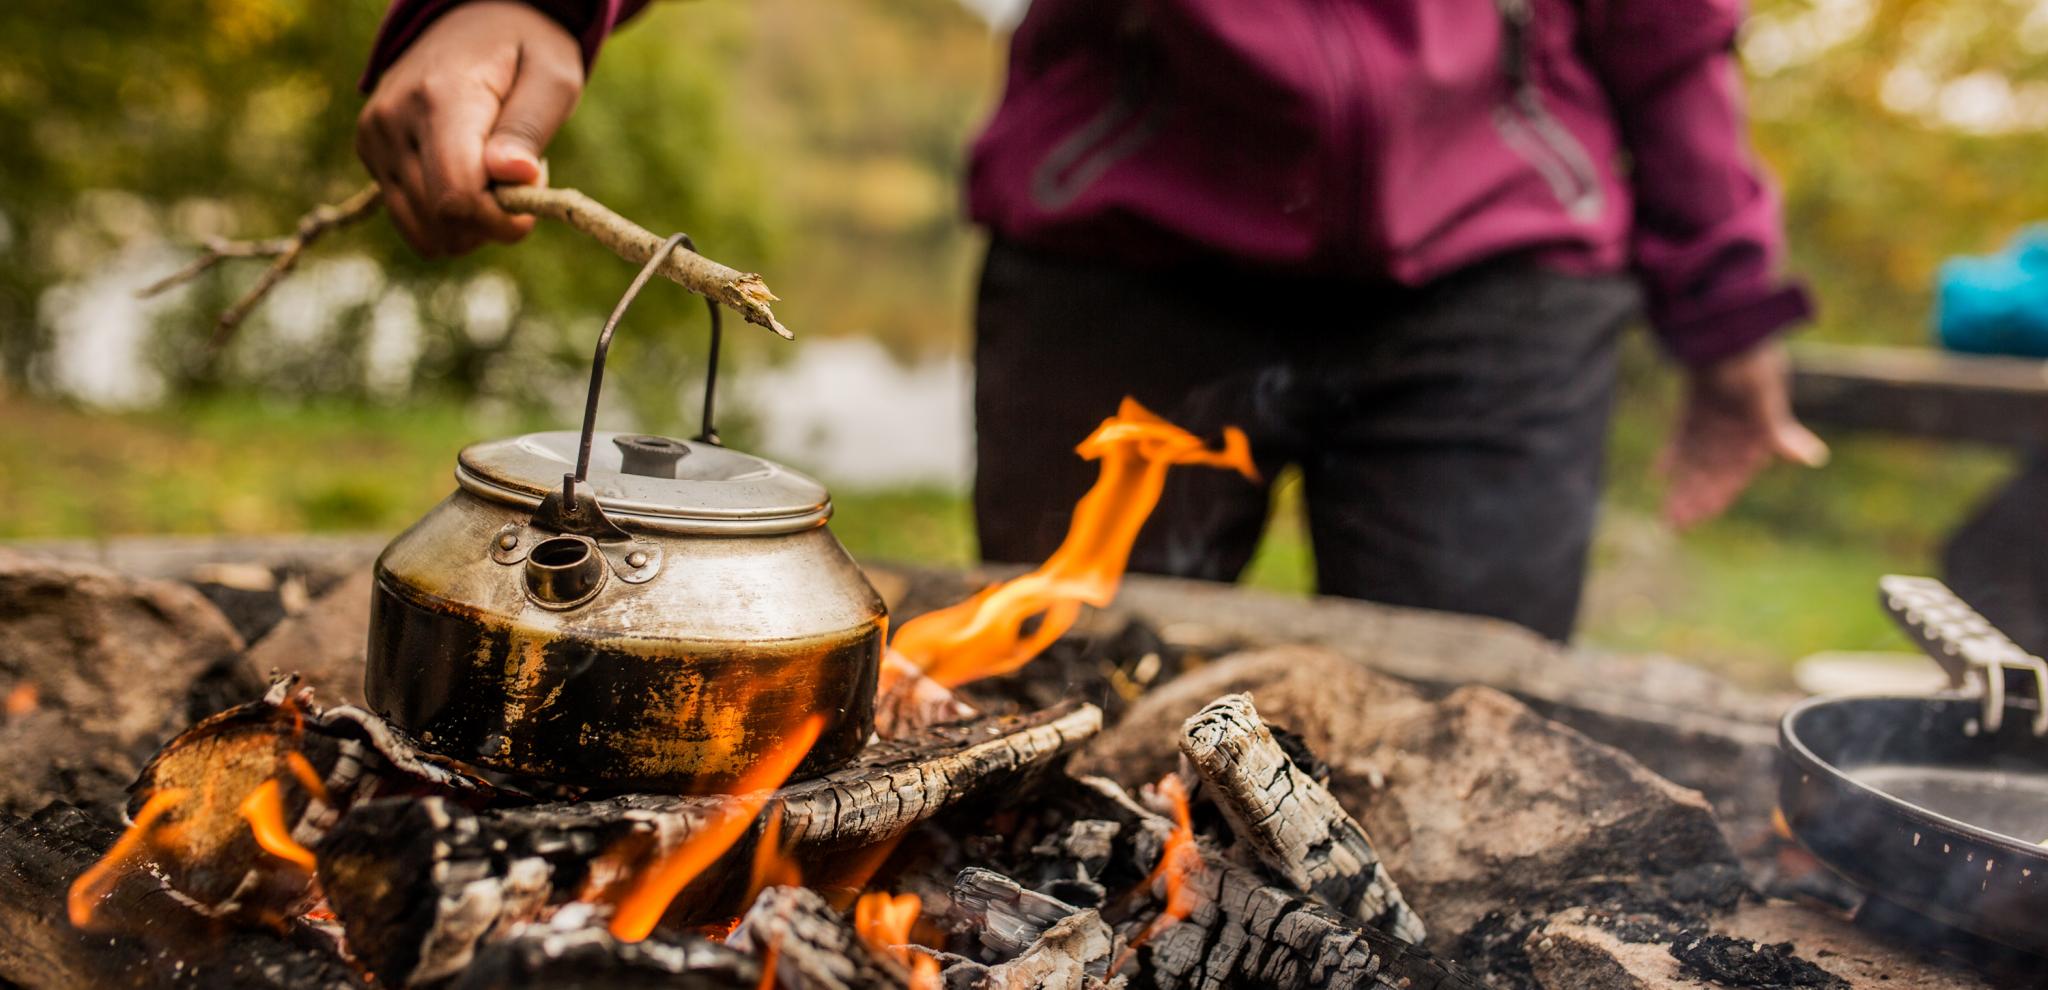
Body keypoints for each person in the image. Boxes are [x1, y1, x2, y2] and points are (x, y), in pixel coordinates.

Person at [356, 0, 1827, 641]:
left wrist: (1730, 305)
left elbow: (1670, 28)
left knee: (1473, 760)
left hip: (1503, 283)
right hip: (1128, 253)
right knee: (1067, 708)